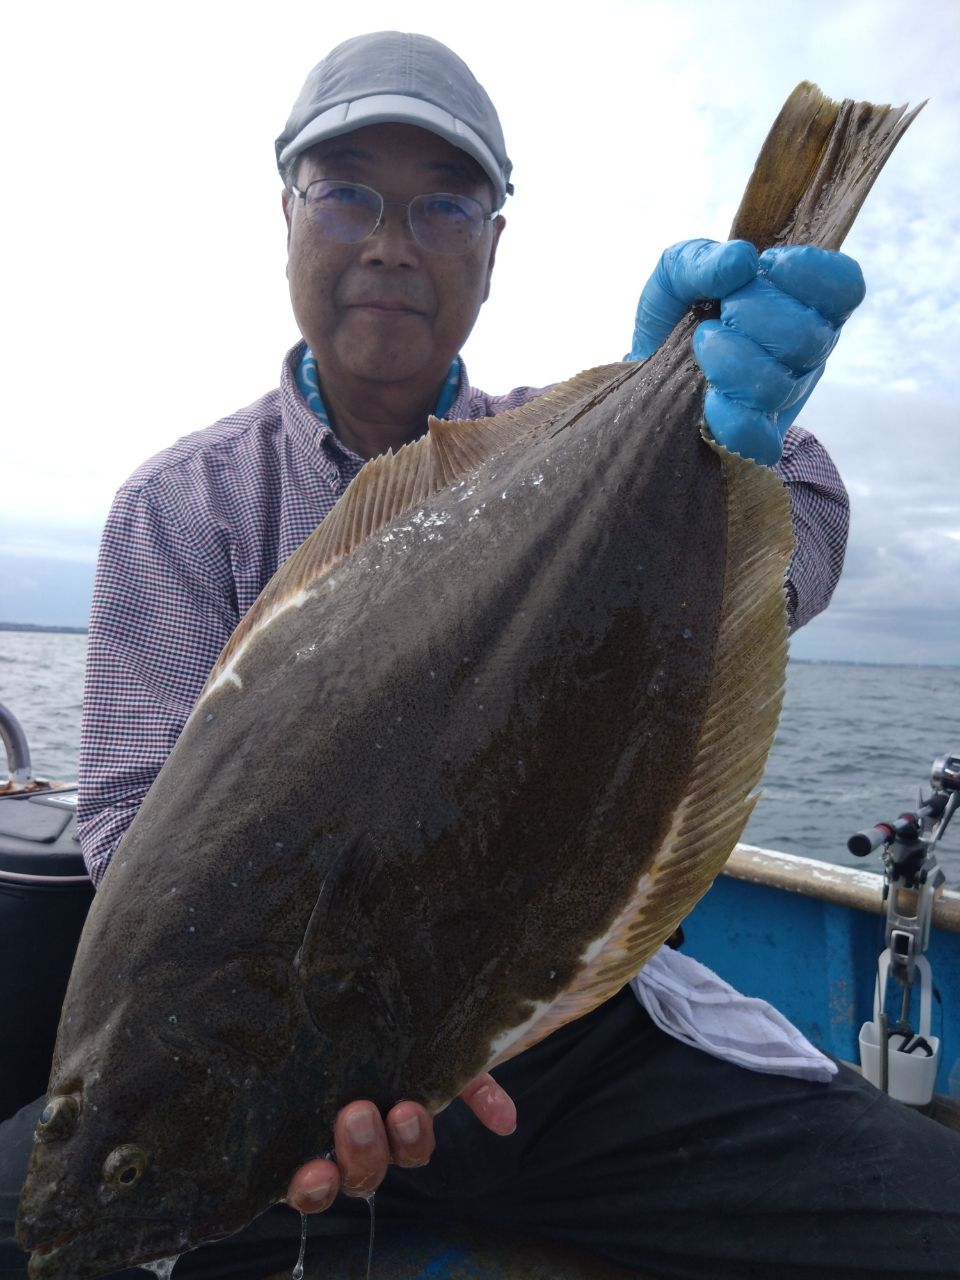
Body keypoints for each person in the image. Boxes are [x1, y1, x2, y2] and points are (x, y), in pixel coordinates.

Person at [2, 30, 958, 1280]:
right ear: (286, 215)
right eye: (346, 191)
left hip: (590, 1031)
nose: (391, 239)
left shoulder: (554, 439)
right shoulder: (180, 508)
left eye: (442, 203)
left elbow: (804, 541)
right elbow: (131, 823)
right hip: (319, 1110)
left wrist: (736, 433)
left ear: (493, 247)